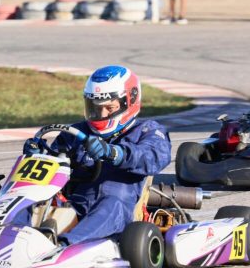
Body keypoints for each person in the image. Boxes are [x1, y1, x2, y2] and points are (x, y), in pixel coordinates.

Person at [22, 65, 171, 248]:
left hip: (119, 208)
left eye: (109, 107)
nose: (101, 114)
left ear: (129, 101)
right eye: (94, 107)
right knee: (28, 196)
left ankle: (65, 246)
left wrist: (113, 152)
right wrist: (38, 155)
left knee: (109, 205)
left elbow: (153, 158)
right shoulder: (76, 133)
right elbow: (53, 164)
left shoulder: (148, 131)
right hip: (74, 204)